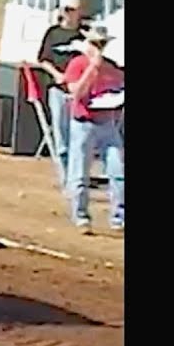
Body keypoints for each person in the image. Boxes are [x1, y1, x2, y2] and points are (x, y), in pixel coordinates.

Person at [62, 24, 124, 233]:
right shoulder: (77, 64)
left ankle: (119, 216)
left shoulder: (112, 67)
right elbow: (76, 92)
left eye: (102, 44)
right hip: (84, 123)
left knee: (117, 171)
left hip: (107, 122)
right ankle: (81, 215)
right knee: (80, 172)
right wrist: (92, 68)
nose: (99, 48)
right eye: (96, 43)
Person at [35, 0, 86, 187]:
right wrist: (57, 75)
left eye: (72, 10)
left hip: (80, 91)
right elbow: (43, 59)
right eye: (65, 9)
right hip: (58, 89)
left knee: (80, 136)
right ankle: (67, 178)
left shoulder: (85, 34)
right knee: (62, 136)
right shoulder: (53, 33)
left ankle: (78, 176)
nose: (69, 13)